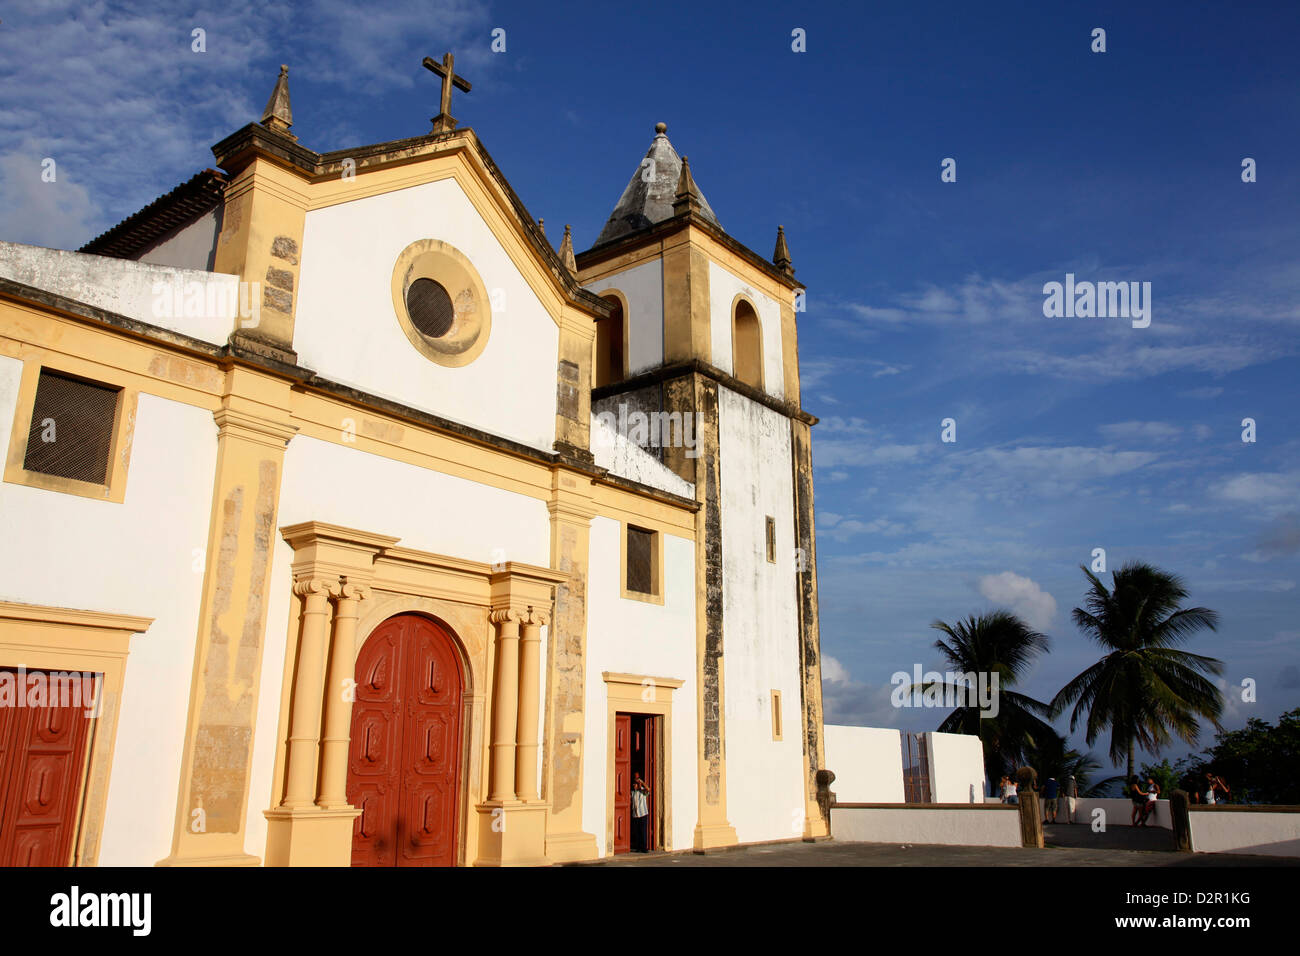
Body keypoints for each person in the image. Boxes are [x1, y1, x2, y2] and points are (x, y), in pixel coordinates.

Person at [630, 772, 651, 852]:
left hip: (643, 814)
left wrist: (641, 782)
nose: (634, 785)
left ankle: (644, 847)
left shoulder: (642, 791)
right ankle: (638, 847)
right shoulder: (632, 792)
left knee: (643, 831)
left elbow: (648, 789)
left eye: (635, 784)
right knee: (637, 831)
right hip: (635, 814)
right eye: (634, 784)